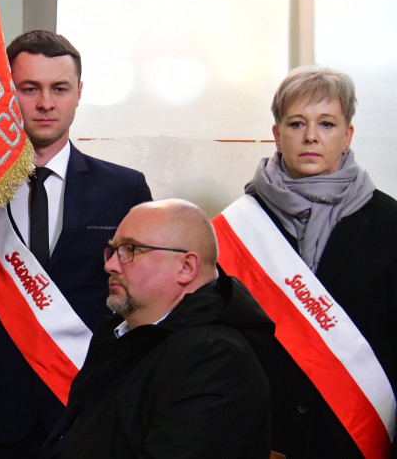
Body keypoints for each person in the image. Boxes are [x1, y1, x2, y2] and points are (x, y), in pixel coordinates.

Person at [0, 30, 152, 458]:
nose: (45, 103)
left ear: (79, 94)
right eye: (29, 89)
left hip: (88, 411)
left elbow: (147, 304)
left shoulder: (124, 189)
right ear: (6, 93)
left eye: (59, 89)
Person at [213, 67, 397, 459]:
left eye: (327, 124)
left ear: (347, 136)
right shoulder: (235, 228)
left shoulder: (390, 224)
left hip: (358, 441)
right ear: (277, 135)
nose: (311, 136)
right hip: (259, 438)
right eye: (297, 123)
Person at [42, 199, 274, 458]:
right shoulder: (122, 335)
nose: (110, 266)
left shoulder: (215, 359)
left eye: (130, 250)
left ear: (186, 267)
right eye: (113, 251)